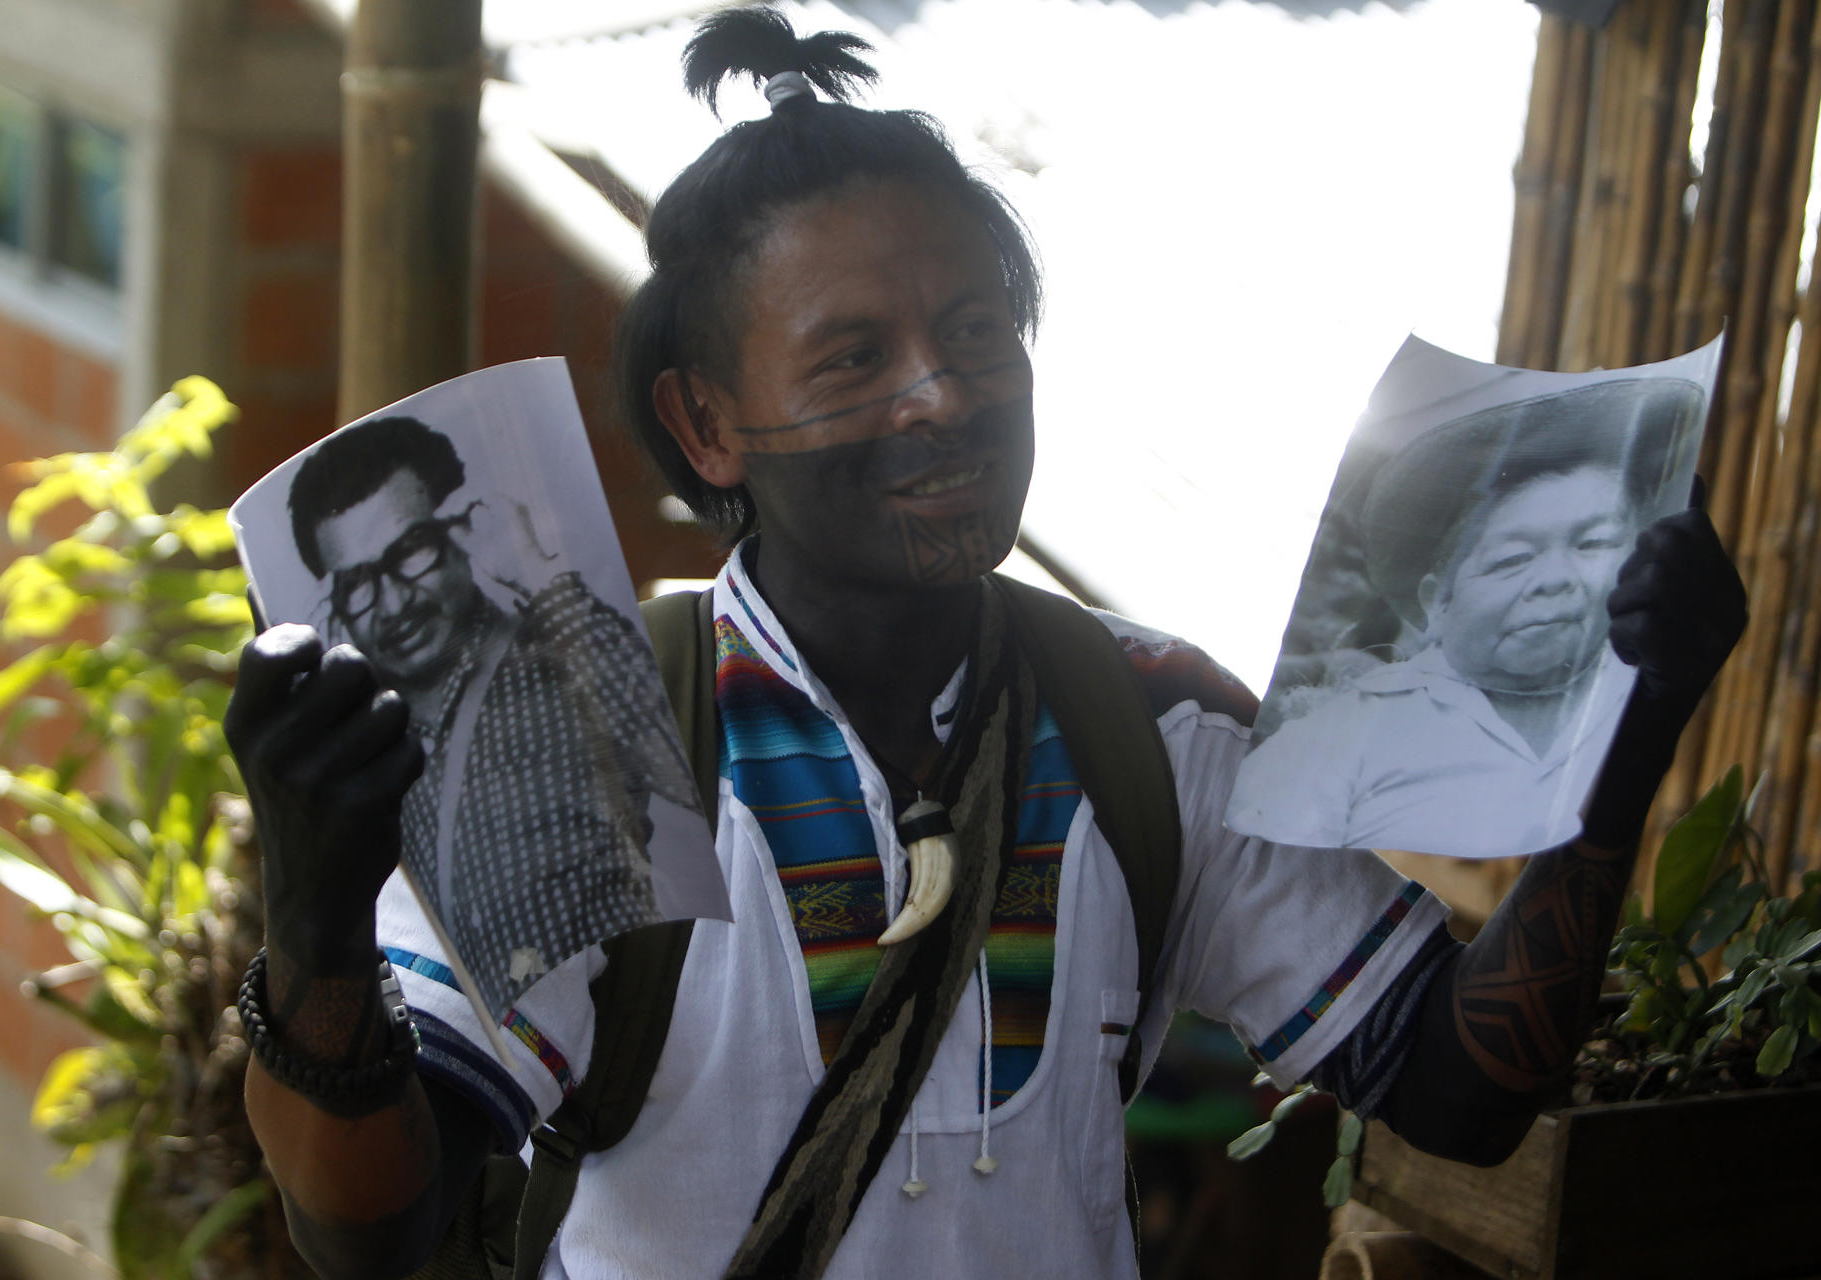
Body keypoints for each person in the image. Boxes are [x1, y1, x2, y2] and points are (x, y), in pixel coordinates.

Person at [222, 12, 1747, 1279]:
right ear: (707, 422)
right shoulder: (599, 754)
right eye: (855, 356)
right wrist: (315, 916)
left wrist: (1625, 735)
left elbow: (1456, 1091)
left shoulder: (1149, 731)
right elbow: (371, 1229)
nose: (940, 397)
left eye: (973, 335)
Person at [286, 414, 698, 1015]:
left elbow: (679, 775)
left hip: (611, 1046)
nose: (394, 601)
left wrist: (544, 577)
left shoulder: (561, 658)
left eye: (411, 552)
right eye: (359, 583)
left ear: (464, 530)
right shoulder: (364, 743)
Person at [1231, 379, 1704, 857]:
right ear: (1439, 603)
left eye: (1594, 544)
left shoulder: (1638, 699)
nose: (1555, 580)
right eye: (1512, 559)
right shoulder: (1342, 739)